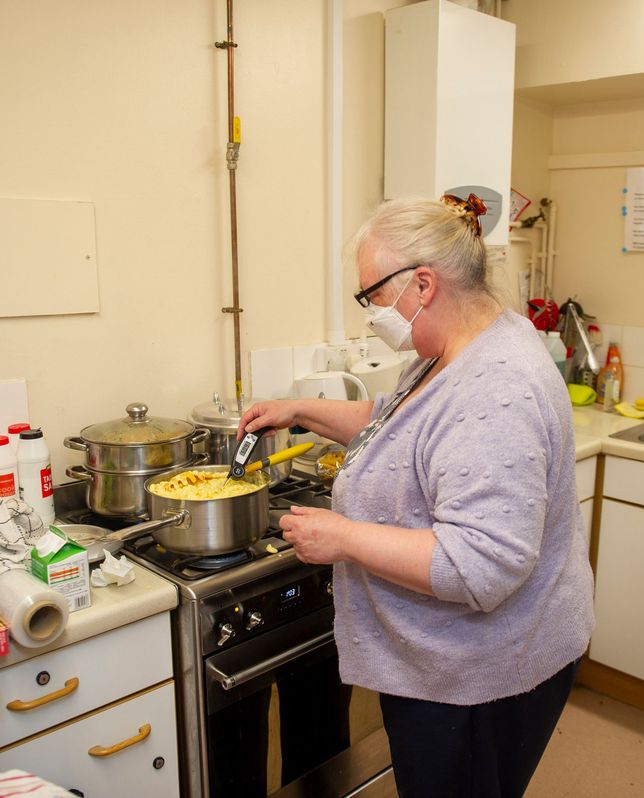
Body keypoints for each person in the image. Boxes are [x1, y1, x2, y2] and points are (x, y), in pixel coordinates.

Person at [237, 193, 594, 798]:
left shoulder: (496, 388)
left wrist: (342, 537)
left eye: (373, 296)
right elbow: (399, 421)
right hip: (458, 661)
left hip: (481, 675)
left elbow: (480, 565)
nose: (372, 315)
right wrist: (301, 411)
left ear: (423, 284)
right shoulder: (460, 344)